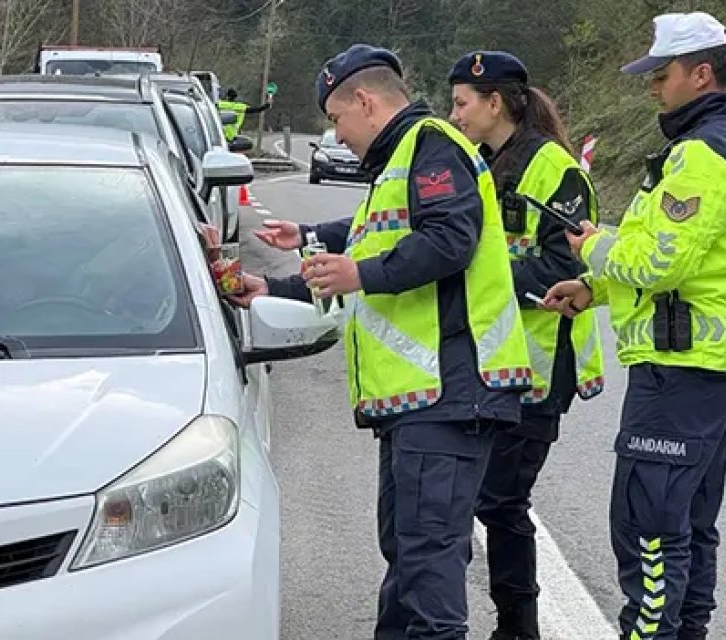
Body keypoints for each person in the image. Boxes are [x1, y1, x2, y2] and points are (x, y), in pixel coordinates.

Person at [227, 43, 532, 639]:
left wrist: (359, 273)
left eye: (336, 121)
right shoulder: (404, 161)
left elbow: (448, 240)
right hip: (419, 402)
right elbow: (375, 240)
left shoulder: (431, 147)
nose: (338, 137)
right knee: (408, 558)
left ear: (364, 101)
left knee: (428, 576)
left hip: (449, 392)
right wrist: (279, 278)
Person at [542, 12, 726, 640]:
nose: (653, 88)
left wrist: (591, 248)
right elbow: (702, 258)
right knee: (689, 522)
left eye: (662, 75)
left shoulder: (705, 153)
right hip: (712, 367)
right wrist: (594, 290)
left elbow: (659, 261)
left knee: (647, 527)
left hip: (681, 368)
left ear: (701, 74)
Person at [445, 51, 607, 640]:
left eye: (462, 103)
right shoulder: (481, 163)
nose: (453, 113)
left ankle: (519, 626)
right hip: (497, 364)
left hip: (542, 366)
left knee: (500, 500)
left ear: (496, 103)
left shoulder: (555, 171)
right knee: (490, 500)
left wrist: (475, 269)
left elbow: (564, 271)